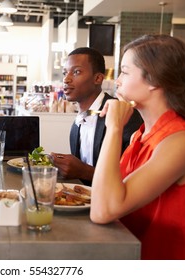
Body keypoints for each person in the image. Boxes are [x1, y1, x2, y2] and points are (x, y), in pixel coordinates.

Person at [90, 34, 185, 259]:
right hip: (132, 254)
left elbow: (103, 211)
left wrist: (113, 128)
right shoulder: (139, 135)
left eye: (124, 71)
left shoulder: (182, 141)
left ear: (154, 81)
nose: (117, 80)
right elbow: (106, 195)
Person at [51, 47, 143, 185]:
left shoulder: (123, 114)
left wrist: (84, 171)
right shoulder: (77, 123)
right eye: (65, 73)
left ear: (98, 78)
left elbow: (133, 178)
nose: (66, 79)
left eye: (76, 72)